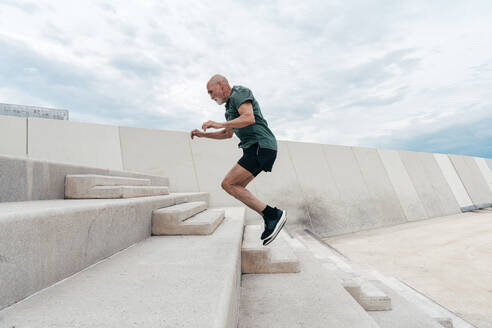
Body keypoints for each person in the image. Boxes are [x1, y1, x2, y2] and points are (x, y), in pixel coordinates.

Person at [190, 74, 286, 246]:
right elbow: (227, 134)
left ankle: (272, 215)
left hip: (260, 145)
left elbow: (249, 118)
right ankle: (270, 217)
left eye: (211, 92)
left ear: (221, 85)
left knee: (228, 184)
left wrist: (218, 123)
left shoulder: (239, 93)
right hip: (255, 148)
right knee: (235, 186)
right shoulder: (229, 109)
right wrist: (203, 135)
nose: (211, 97)